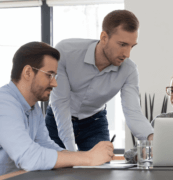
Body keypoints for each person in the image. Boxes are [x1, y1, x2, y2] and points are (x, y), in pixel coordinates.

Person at [0, 42, 114, 177]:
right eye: (49, 75)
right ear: (28, 72)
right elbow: (29, 157)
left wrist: (86, 156)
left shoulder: (33, 108)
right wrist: (88, 157)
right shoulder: (2, 103)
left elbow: (46, 146)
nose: (54, 83)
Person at [45, 10, 154, 152]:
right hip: (57, 119)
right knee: (52, 169)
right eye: (122, 44)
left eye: (131, 46)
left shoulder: (129, 70)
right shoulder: (65, 52)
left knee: (101, 172)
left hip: (94, 123)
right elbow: (61, 103)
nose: (127, 54)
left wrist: (154, 140)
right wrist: (73, 155)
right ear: (104, 37)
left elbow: (133, 112)